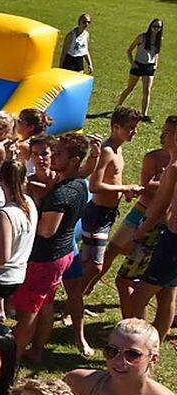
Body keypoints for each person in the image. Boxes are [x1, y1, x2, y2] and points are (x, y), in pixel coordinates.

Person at [12, 132, 89, 363]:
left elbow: (46, 231)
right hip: (63, 253)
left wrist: (27, 216)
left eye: (59, 154)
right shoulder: (78, 184)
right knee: (45, 305)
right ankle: (36, 352)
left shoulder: (62, 194)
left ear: (74, 160)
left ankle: (12, 357)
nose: (53, 157)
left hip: (46, 258)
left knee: (29, 312)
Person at [109, 115, 175, 315]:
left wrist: (140, 231)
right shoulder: (158, 159)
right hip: (164, 231)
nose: (162, 136)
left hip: (155, 230)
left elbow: (162, 204)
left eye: (169, 133)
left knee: (128, 282)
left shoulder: (172, 168)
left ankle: (132, 332)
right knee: (166, 293)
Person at [79, 106, 144, 306]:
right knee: (94, 267)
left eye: (135, 128)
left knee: (90, 264)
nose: (135, 132)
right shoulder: (107, 151)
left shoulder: (119, 149)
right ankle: (72, 307)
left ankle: (75, 304)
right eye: (130, 128)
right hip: (97, 214)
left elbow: (113, 181)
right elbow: (94, 185)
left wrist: (123, 193)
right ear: (116, 127)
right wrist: (125, 187)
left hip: (108, 214)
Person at [0, 160, 38, 318]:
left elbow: (2, 257)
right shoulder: (29, 204)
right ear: (25, 179)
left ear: (0, 180)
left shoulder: (5, 214)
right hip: (17, 275)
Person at [116, 18, 163, 119]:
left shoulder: (159, 40)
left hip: (149, 67)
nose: (156, 29)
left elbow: (156, 53)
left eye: (159, 27)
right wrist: (132, 63)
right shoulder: (142, 37)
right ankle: (118, 107)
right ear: (150, 26)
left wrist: (155, 65)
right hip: (138, 65)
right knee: (130, 88)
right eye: (154, 26)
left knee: (147, 91)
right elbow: (129, 51)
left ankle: (144, 115)